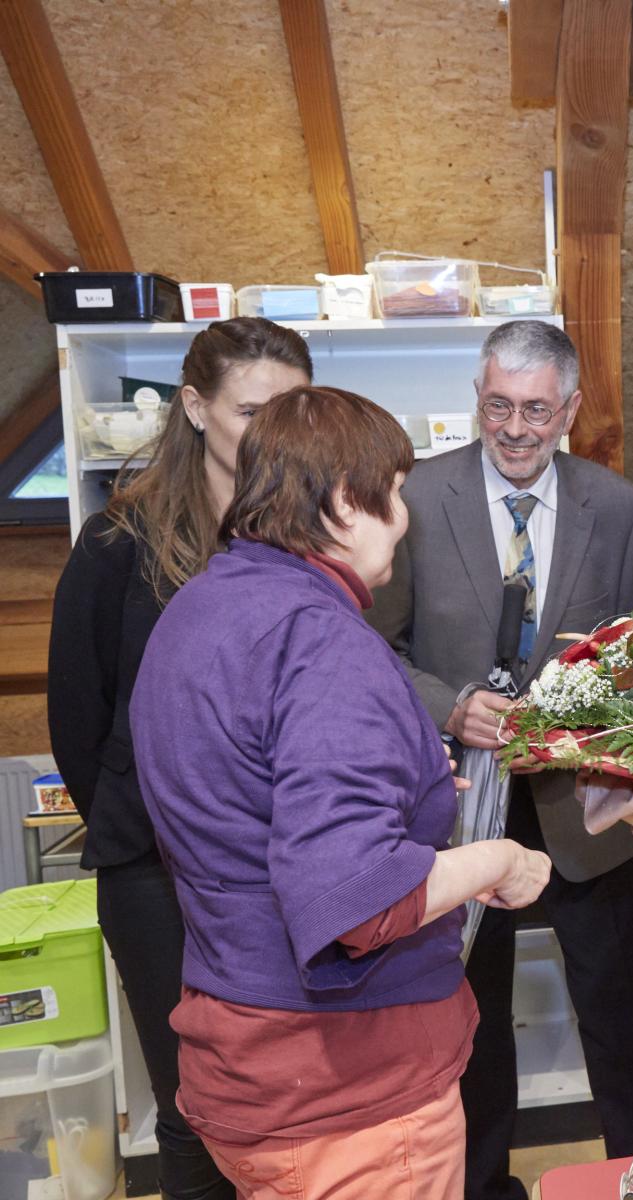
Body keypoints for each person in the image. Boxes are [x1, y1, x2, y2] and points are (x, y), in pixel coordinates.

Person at [128, 385, 550, 1199]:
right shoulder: (324, 642)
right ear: (342, 501)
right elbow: (356, 901)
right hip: (346, 1087)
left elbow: (247, 790)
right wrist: (499, 857)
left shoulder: (201, 607)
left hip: (243, 1056)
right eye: (393, 495)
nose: (402, 518)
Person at [367, 320, 633, 1195]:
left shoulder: (620, 508)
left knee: (617, 1018)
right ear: (477, 401)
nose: (516, 428)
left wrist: (576, 718)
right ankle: (487, 1186)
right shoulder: (415, 496)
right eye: (499, 406)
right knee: (473, 1017)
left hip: (585, 816)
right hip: (455, 811)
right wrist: (452, 707)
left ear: (570, 409)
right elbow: (374, 652)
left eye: (537, 409)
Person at [47, 317, 312, 1200]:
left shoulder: (313, 540)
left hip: (278, 868)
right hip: (153, 873)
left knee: (282, 1096)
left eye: (294, 410)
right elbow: (78, 722)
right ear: (195, 408)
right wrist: (145, 818)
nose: (274, 433)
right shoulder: (120, 545)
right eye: (251, 411)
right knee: (194, 1102)